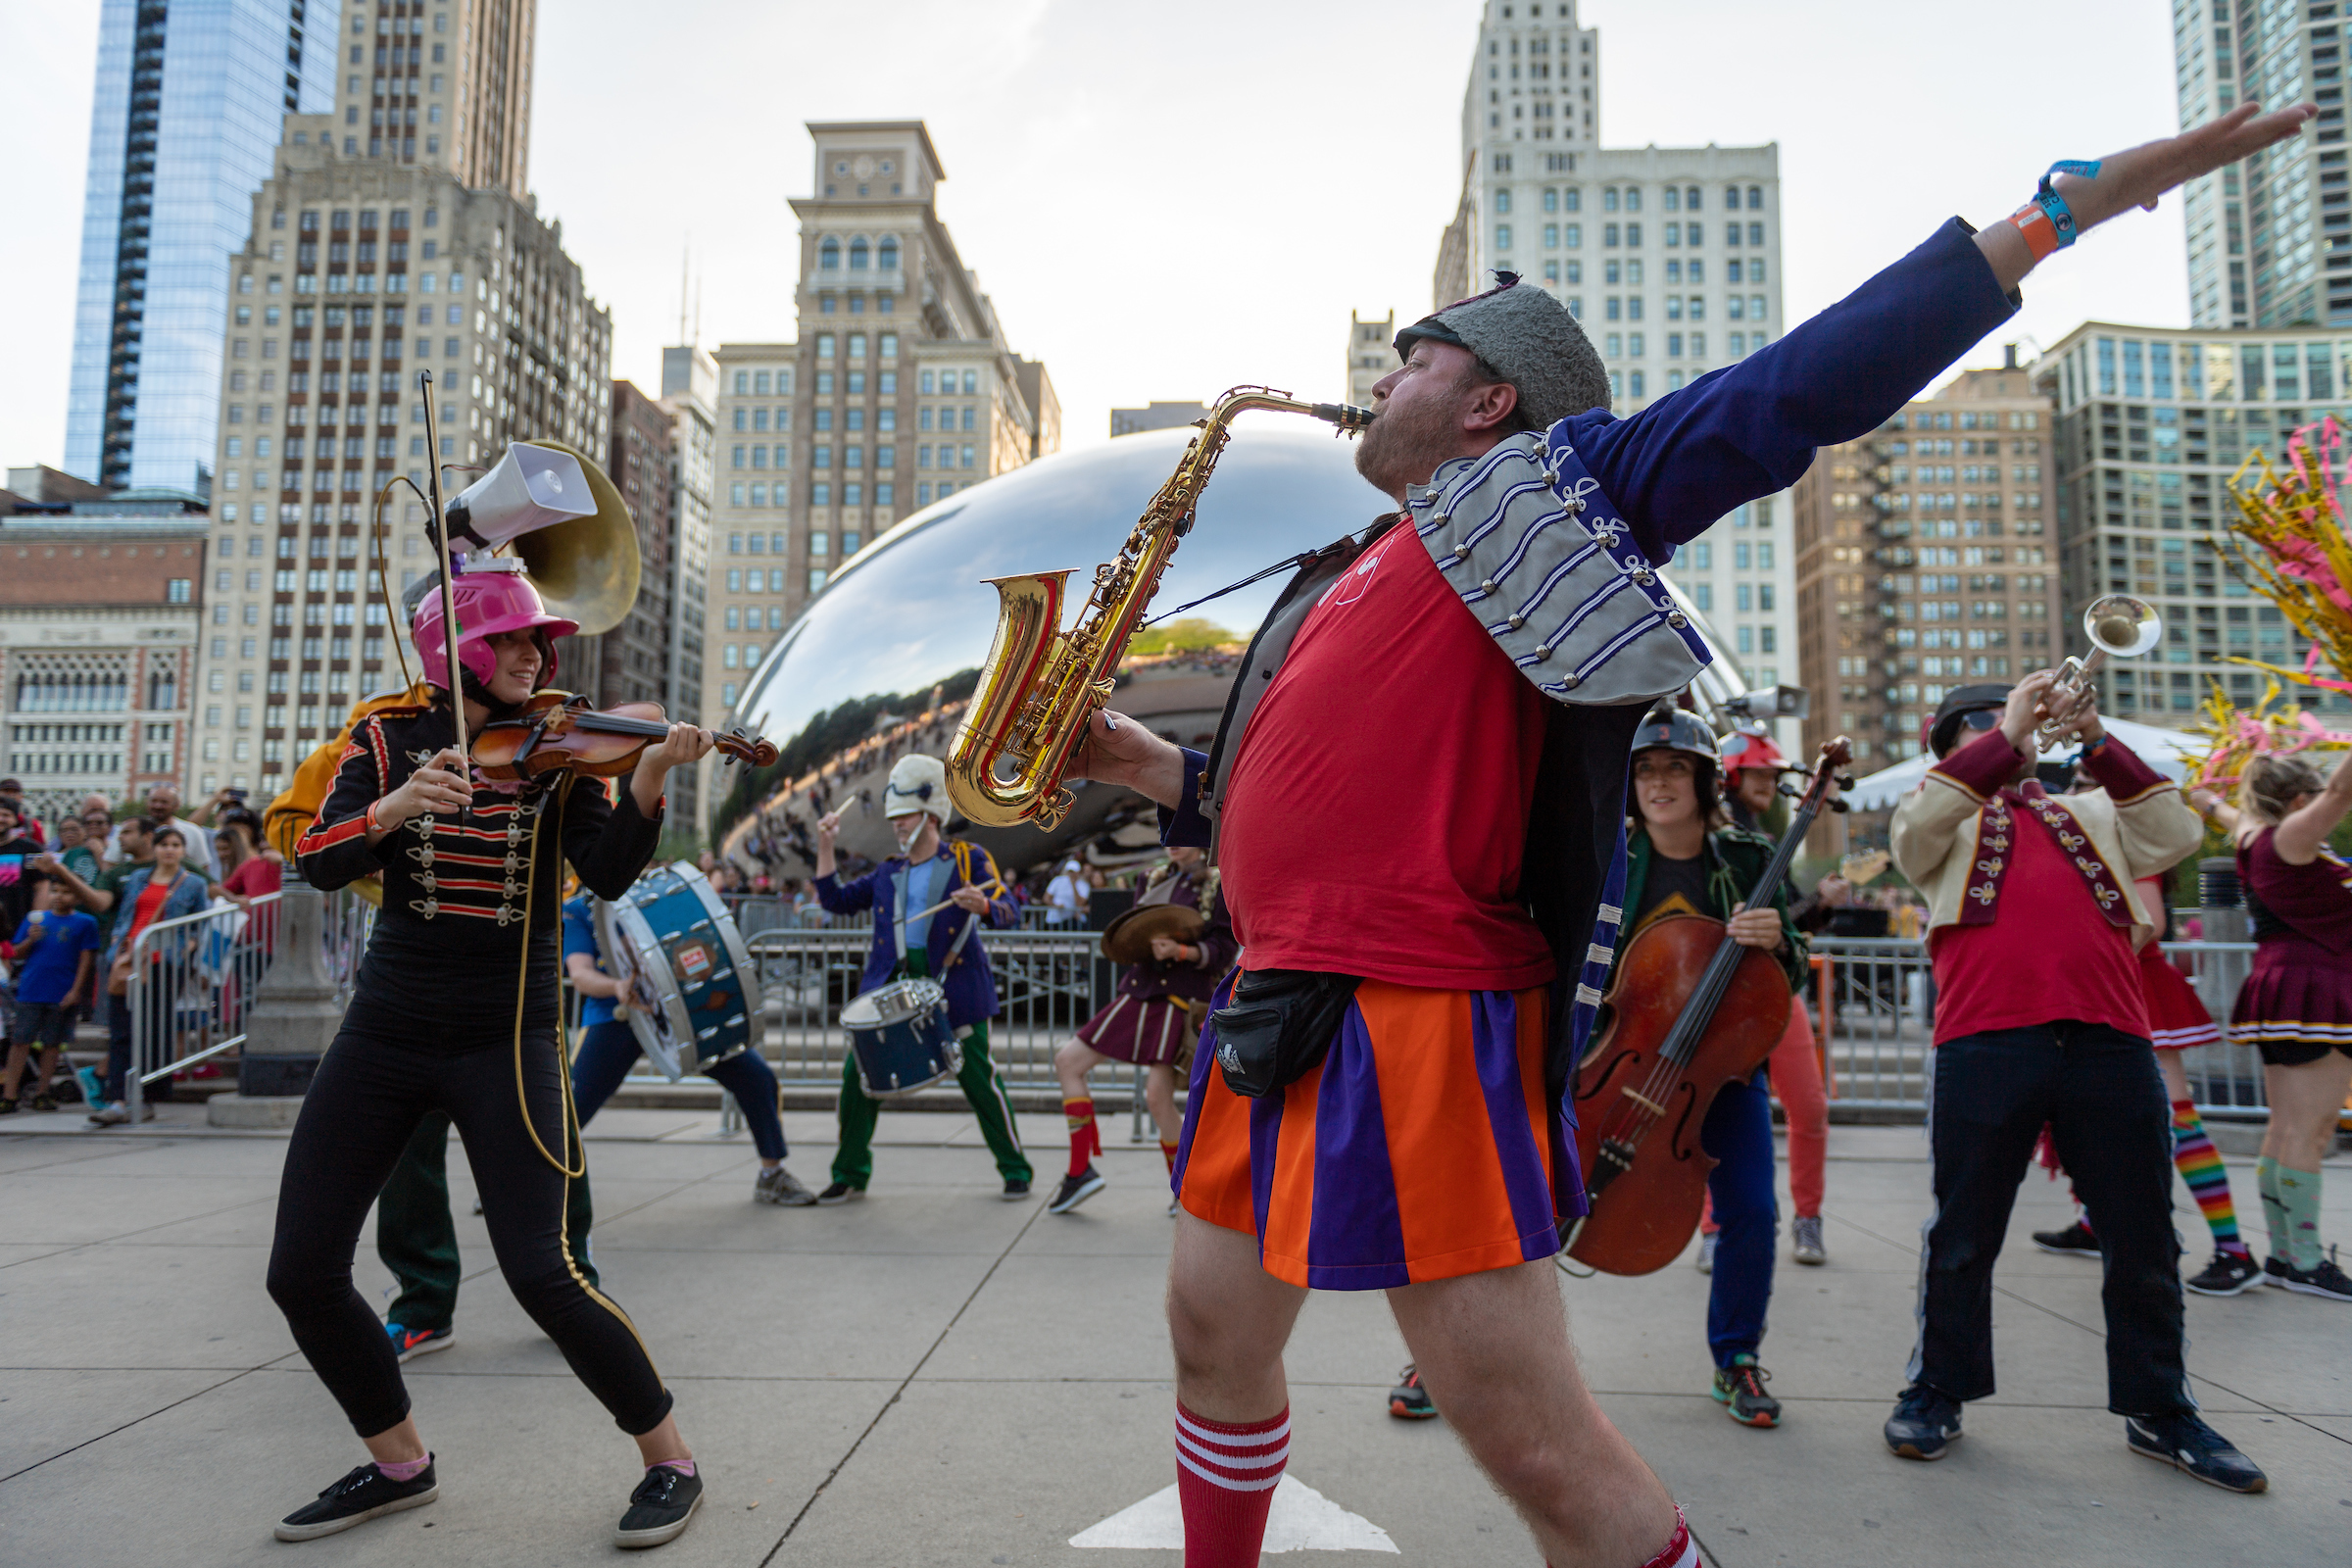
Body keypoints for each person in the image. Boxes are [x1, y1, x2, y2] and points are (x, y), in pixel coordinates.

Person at [1061, 109, 2308, 1565]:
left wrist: (2042, 223)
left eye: (1417, 356)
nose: (1380, 379)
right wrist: (1153, 767)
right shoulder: (1355, 565)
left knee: (1530, 1444)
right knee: (1210, 1335)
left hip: (1413, 1013)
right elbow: (1329, 799)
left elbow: (1781, 397)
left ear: (1490, 404)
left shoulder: (1554, 494)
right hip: (1269, 998)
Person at [266, 563, 715, 1548]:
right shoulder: (387, 739)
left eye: (538, 643)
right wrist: (397, 807)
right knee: (301, 1269)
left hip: (507, 1036)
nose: (534, 655)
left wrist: (644, 776)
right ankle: (399, 1462)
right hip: (384, 1028)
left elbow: (602, 873)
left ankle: (670, 1458)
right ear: (457, 651)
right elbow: (319, 856)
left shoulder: (559, 755)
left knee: (541, 1271)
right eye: (512, 640)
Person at [1883, 676, 2265, 1491]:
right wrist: (2004, 735)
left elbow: (2173, 833)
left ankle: (2161, 1407)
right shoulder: (1940, 814)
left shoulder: (2090, 808)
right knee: (1964, 1231)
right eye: (1979, 726)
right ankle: (1938, 1388)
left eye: (2009, 719)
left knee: (2144, 1235)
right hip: (1985, 1038)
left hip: (2111, 1039)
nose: (2007, 730)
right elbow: (1914, 832)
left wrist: (2093, 736)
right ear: (1951, 747)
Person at [1615, 708, 1807, 1428]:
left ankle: (1736, 1360)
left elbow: (1793, 973)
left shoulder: (1749, 859)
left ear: (1703, 779)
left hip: (1723, 1070)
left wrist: (1778, 941)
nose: (1658, 783)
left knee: (1753, 1211)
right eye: (1644, 770)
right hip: (1616, 1065)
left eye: (1673, 769)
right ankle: (1464, 1354)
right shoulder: (1611, 859)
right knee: (1529, 1198)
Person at [2028, 852, 2263, 1298]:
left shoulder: (2132, 840)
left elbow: (2150, 921)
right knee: (2092, 1114)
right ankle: (2095, 1224)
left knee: (2176, 1117)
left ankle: (2233, 1251)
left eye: (2084, 779)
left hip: (2131, 985)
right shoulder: (2094, 836)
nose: (2077, 789)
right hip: (2104, 984)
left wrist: (2088, 954)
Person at [811, 755, 1033, 1202]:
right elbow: (834, 900)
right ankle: (850, 1172)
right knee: (859, 1083)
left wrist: (984, 906)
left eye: (904, 816)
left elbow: (1011, 911)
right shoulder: (888, 871)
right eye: (893, 817)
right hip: (891, 994)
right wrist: (826, 845)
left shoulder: (969, 860)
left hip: (955, 993)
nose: (896, 824)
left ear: (931, 816)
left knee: (981, 1085)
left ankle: (1015, 1169)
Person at [564, 888, 817, 1206]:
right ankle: (523, 1184)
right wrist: (616, 986)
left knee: (757, 1078)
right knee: (569, 1106)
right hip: (616, 1017)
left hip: (681, 1013)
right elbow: (581, 973)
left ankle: (772, 1175)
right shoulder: (577, 910)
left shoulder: (649, 894)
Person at [2219, 750, 2352, 1302]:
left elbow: (2224, 811)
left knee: (2285, 1129)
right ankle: (2302, 1259)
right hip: (2315, 987)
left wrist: (2209, 799)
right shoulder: (2292, 838)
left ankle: (2283, 1255)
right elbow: (2341, 793)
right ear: (2299, 800)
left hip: (2284, 985)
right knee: (2310, 1131)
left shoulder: (2253, 835)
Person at [1711, 725, 1839, 1268]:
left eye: (1773, 775)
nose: (1770, 783)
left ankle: (1808, 1218)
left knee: (1808, 1106)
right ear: (1733, 775)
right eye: (1761, 773)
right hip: (1719, 991)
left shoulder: (1765, 836)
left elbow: (1786, 923)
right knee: (1712, 1112)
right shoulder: (1717, 838)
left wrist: (1819, 906)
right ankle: (1713, 1227)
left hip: (1772, 986)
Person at [1050, 846, 1238, 1215]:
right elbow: (1132, 939)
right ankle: (1079, 1171)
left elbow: (1222, 950)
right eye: (1169, 832)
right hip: (1140, 990)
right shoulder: (1150, 878)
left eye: (1182, 832)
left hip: (1181, 999)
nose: (1174, 840)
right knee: (1067, 1061)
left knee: (1156, 1097)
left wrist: (1181, 952)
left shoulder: (1217, 883)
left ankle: (1183, 1188)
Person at [84, 824, 209, 1124]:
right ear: (155, 848)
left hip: (164, 960)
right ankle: (117, 1099)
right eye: (164, 844)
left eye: (175, 845)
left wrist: (187, 947)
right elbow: (127, 913)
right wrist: (117, 941)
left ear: (183, 850)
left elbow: (199, 921)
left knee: (156, 1029)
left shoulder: (193, 883)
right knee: (122, 1030)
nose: (169, 850)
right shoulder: (139, 878)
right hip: (129, 958)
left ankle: (149, 1096)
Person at [1, 873, 101, 1112]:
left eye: (66, 892)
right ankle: (9, 1095)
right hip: (31, 989)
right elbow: (16, 953)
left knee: (52, 1043)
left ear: (77, 896)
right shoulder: (35, 920)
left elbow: (86, 959)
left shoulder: (85, 923)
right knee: (20, 1042)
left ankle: (43, 1092)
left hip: (62, 990)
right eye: (54, 891)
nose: (58, 896)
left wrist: (76, 991)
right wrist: (29, 940)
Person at [1043, 857, 1088, 927]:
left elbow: (1080, 903)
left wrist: (1073, 885)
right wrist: (1056, 905)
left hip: (1071, 920)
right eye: (1070, 872)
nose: (1071, 874)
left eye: (1073, 872)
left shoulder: (1083, 885)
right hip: (1054, 919)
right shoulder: (1057, 880)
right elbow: (1046, 898)